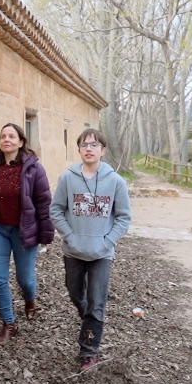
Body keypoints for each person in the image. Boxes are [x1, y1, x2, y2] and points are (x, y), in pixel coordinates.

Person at [49, 128, 131, 370]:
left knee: (97, 303)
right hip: (73, 251)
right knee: (76, 295)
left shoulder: (115, 181)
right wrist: (70, 237)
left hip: (102, 254)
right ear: (79, 150)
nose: (89, 148)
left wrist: (108, 242)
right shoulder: (68, 178)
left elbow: (123, 218)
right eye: (84, 144)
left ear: (102, 151)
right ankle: (90, 319)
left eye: (94, 145)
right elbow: (56, 210)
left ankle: (88, 350)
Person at [0, 123, 55, 343]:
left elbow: (44, 202)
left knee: (24, 279)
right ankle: (9, 322)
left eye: (11, 136)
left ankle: (30, 299)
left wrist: (46, 233)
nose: (7, 139)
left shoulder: (34, 168)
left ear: (21, 141)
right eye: (3, 136)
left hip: (23, 230)